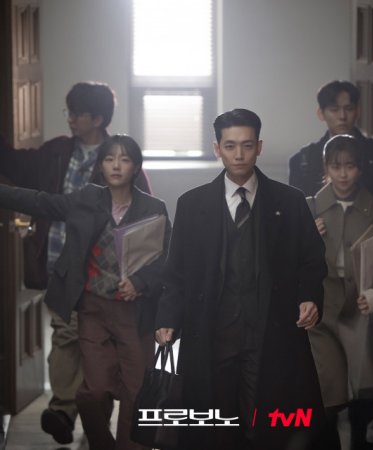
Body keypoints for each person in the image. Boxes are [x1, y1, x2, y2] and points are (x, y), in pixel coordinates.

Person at [155, 108, 327, 450]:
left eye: (247, 145)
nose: (239, 155)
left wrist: (309, 296)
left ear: (259, 147)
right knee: (216, 420)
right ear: (217, 148)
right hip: (211, 329)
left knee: (266, 419)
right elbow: (176, 271)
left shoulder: (289, 201)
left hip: (271, 330)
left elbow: (311, 259)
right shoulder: (192, 204)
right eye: (230, 146)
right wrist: (167, 317)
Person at [0, 82, 151, 444]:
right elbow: (22, 174)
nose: (70, 119)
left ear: (97, 119)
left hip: (105, 275)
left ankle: (84, 416)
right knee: (66, 334)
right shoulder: (56, 151)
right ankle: (65, 410)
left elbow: (145, 222)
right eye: (68, 112)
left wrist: (138, 276)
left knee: (98, 346)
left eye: (76, 113)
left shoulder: (121, 156)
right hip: (60, 267)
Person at [306, 135, 373, 450]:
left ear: (360, 169)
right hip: (321, 309)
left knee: (364, 395)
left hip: (362, 309)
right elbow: (283, 257)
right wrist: (308, 235)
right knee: (327, 393)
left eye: (350, 166)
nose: (343, 174)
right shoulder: (308, 207)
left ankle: (362, 440)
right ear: (326, 168)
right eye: (336, 166)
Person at [288, 80, 373, 219]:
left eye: (349, 109)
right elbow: (294, 217)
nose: (342, 116)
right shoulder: (302, 161)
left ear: (358, 111)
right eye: (334, 110)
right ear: (321, 113)